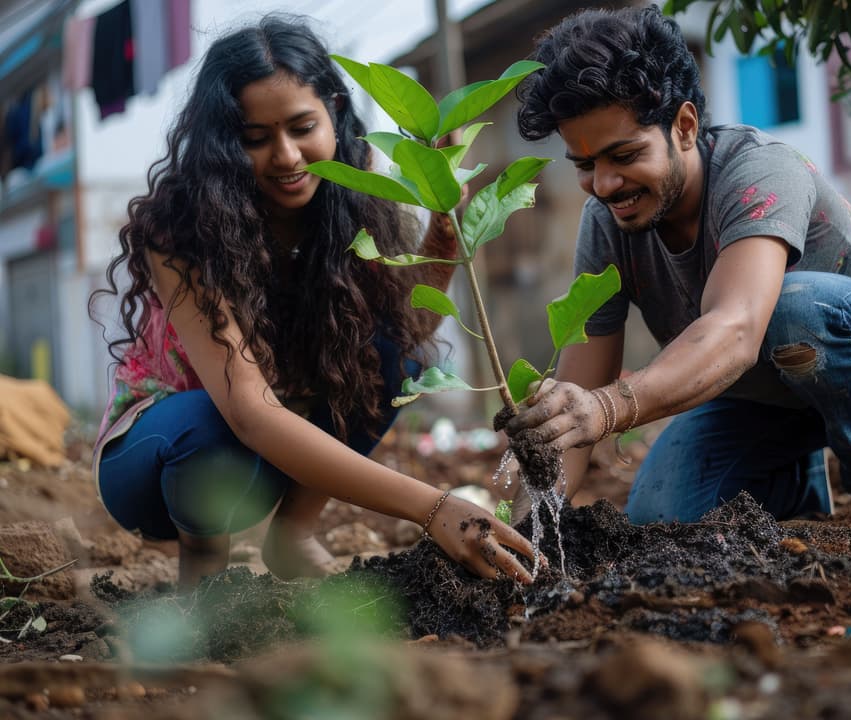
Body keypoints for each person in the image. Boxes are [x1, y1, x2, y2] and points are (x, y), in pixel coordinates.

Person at [90, 15, 534, 590]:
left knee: (398, 357)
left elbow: (407, 329)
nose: (286, 156)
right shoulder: (182, 231)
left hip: (268, 459)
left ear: (335, 110)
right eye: (255, 138)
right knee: (209, 422)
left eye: (302, 127)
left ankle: (293, 533)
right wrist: (434, 506)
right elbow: (248, 413)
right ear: (224, 141)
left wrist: (445, 236)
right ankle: (202, 573)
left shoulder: (355, 199)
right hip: (157, 462)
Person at [505, 4, 851, 540]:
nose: (603, 184)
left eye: (623, 155)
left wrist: (606, 408)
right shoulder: (606, 224)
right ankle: (797, 490)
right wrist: (532, 526)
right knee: (661, 515)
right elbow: (582, 388)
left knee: (794, 309)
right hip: (759, 394)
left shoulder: (760, 170)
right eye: (584, 165)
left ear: (684, 126)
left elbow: (736, 330)